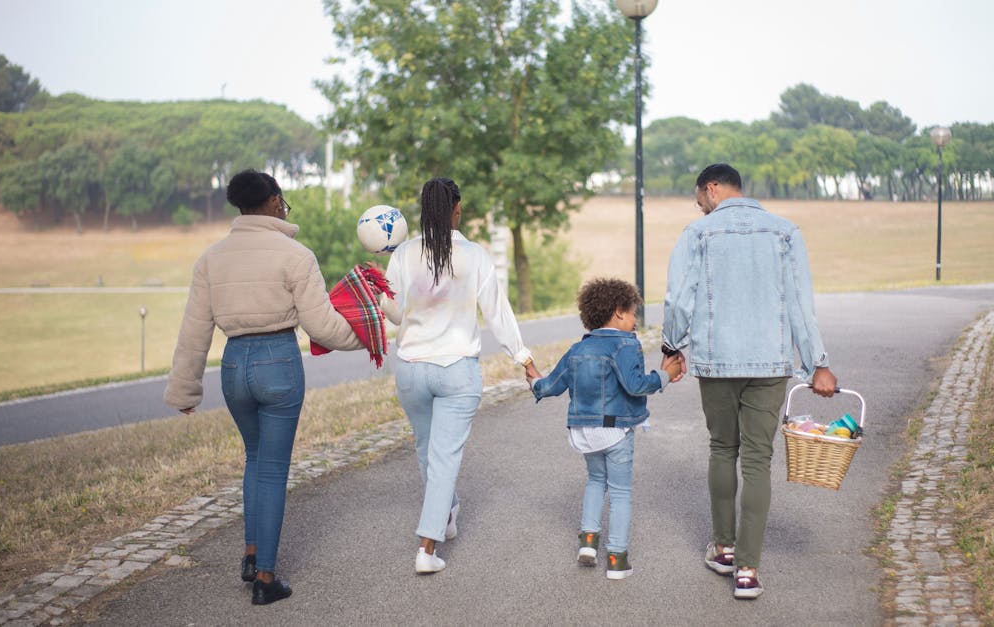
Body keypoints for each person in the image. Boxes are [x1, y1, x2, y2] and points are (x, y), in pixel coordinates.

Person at [164, 169, 365, 606]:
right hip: (278, 361)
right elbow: (321, 325)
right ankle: (266, 580)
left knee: (254, 459)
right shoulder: (295, 255)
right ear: (275, 201)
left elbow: (194, 330)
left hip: (234, 366)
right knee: (272, 468)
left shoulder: (211, 259)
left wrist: (184, 391)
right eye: (283, 200)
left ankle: (252, 555)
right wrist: (365, 337)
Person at [662, 163, 838, 600]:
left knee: (723, 449)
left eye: (699, 197)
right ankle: (747, 571)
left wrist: (671, 346)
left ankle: (723, 549)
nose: (699, 206)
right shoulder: (785, 232)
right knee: (758, 460)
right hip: (770, 364)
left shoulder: (697, 235)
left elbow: (678, 298)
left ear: (713, 188)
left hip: (716, 361)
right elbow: (801, 303)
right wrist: (818, 361)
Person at [378, 177, 540, 574]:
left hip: (412, 370)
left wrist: (400, 300)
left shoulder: (403, 255)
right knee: (444, 457)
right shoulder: (475, 256)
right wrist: (525, 360)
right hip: (457, 373)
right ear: (456, 209)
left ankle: (447, 513)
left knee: (426, 449)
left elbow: (394, 312)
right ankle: (427, 549)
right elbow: (498, 314)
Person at [527, 278, 683, 580]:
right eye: (634, 313)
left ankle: (588, 542)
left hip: (584, 431)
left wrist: (534, 380)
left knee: (596, 480)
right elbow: (636, 386)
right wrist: (664, 375)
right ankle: (616, 558)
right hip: (617, 430)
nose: (636, 320)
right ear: (619, 313)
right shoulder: (626, 345)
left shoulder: (576, 350)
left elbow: (550, 386)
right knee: (621, 491)